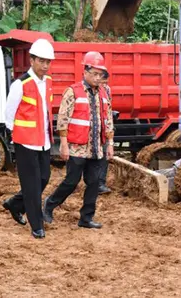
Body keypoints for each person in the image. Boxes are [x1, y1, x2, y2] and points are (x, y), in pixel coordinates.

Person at [43, 51, 114, 229]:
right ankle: (49, 205)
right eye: (95, 74)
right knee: (71, 181)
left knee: (94, 183)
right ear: (85, 71)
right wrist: (64, 145)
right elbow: (63, 119)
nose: (98, 78)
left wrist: (110, 143)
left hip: (96, 148)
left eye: (101, 75)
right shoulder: (72, 91)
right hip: (77, 147)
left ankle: (86, 218)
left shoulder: (104, 94)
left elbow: (108, 120)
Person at [1, 38, 55, 239]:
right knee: (31, 185)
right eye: (41, 61)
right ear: (31, 60)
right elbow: (10, 112)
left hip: (44, 141)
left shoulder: (48, 82)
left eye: (48, 62)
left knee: (43, 178)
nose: (45, 65)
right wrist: (11, 135)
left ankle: (15, 204)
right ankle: (37, 224)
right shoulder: (21, 84)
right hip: (25, 142)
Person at [98, 69, 113, 195]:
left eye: (105, 82)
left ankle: (100, 184)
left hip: (103, 128)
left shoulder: (107, 90)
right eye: (102, 82)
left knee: (104, 155)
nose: (104, 85)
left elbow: (108, 109)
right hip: (91, 129)